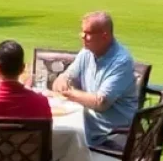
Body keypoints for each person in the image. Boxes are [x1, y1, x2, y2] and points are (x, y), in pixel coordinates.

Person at [51, 12, 138, 149]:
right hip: (91, 121)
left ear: (105, 36)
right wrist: (63, 79)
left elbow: (101, 102)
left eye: (88, 33)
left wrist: (70, 93)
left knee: (61, 135)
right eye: (82, 32)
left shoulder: (121, 61)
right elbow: (67, 75)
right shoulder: (87, 52)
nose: (83, 37)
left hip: (113, 132)